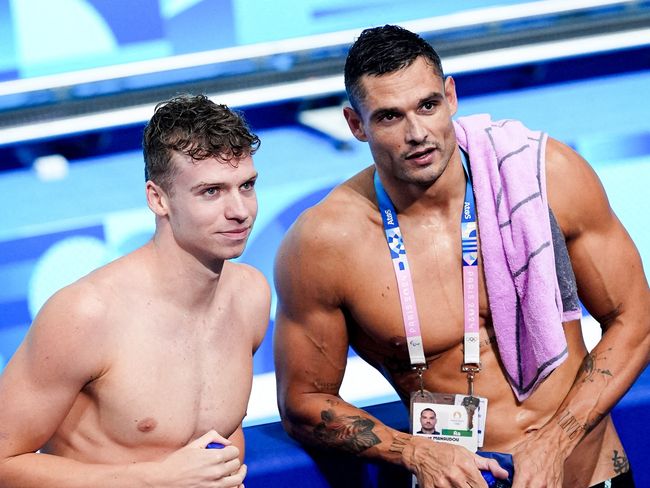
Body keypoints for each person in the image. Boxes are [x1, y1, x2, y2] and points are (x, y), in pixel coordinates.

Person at [273, 25, 649, 488]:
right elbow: (303, 401)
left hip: (587, 475)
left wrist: (556, 442)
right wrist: (414, 451)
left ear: (450, 97)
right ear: (356, 124)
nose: (417, 134)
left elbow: (635, 320)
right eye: (389, 117)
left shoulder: (544, 177)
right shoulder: (325, 243)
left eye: (427, 106)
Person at [0, 94, 270, 487]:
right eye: (211, 191)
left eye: (246, 186)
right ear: (158, 199)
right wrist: (152, 480)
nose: (240, 211)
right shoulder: (86, 315)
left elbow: (219, 435)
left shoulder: (250, 296)